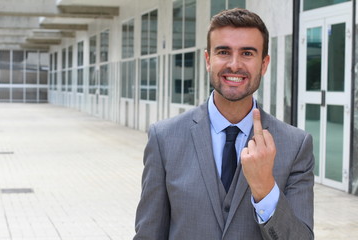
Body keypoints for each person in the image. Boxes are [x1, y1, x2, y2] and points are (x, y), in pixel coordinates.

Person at [134, 8, 314, 240]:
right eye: (223, 52)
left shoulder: (296, 145)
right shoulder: (164, 138)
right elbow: (149, 233)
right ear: (208, 60)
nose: (234, 64)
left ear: (264, 64)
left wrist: (265, 189)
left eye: (247, 53)